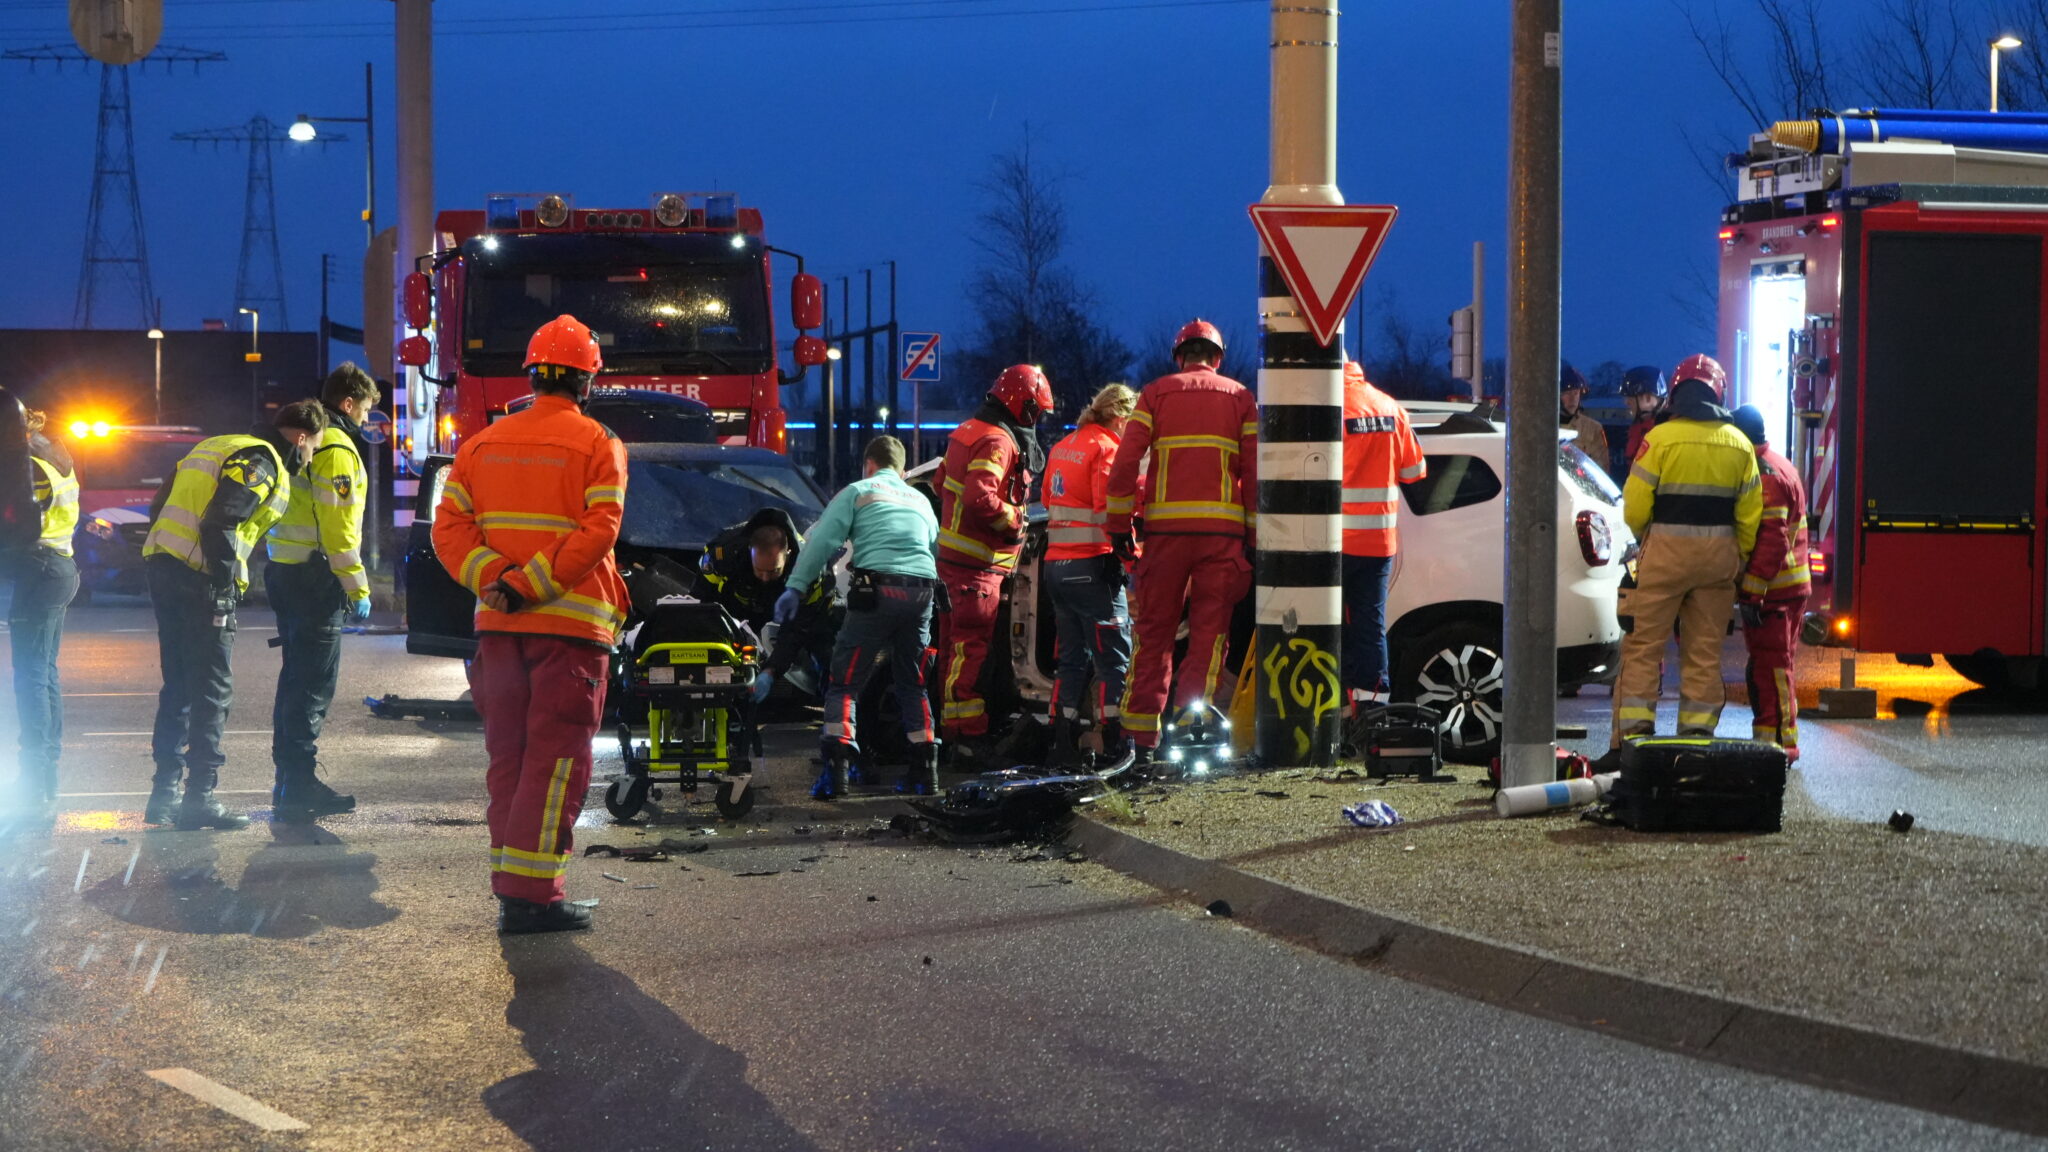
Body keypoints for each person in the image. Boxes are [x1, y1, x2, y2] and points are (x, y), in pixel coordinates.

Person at [432, 314, 629, 935]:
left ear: (533, 375)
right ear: (586, 381)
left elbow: (449, 532)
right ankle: (532, 897)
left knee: (509, 760)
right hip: (569, 633)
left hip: (498, 631)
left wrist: (498, 580)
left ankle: (514, 887)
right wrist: (533, 583)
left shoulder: (481, 444)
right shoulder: (599, 444)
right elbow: (601, 530)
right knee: (556, 760)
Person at [143, 402, 324, 830]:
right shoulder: (261, 460)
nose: (310, 458)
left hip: (164, 566)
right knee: (212, 691)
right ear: (301, 439)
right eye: (314, 448)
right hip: (201, 579)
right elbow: (220, 522)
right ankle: (199, 798)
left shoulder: (217, 445)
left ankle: (163, 795)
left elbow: (159, 505)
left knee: (179, 685)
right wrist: (223, 587)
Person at [1106, 319, 1258, 777]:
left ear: (1180, 355)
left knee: (1153, 639)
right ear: (1217, 357)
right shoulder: (1240, 398)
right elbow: (1252, 474)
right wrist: (1254, 537)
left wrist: (1118, 525)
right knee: (1209, 641)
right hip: (1222, 539)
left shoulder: (1155, 394)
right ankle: (1194, 735)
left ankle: (1139, 743)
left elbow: (1125, 462)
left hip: (1166, 537)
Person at [1596, 354, 1761, 769]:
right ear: (1717, 391)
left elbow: (1633, 509)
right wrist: (1734, 560)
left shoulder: (1661, 439)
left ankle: (1631, 745)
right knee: (1704, 654)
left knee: (1643, 650)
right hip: (1718, 564)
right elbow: (1749, 517)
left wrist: (1646, 537)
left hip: (1664, 559)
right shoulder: (1739, 443)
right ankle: (1696, 742)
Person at [779, 435, 941, 798]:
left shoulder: (857, 491)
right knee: (913, 682)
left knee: (845, 681)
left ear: (868, 464)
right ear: (901, 471)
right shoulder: (920, 499)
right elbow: (932, 547)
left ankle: (837, 776)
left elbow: (822, 541)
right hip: (921, 593)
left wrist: (795, 587)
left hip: (876, 593)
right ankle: (925, 773)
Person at [263, 364, 378, 824]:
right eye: (367, 409)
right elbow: (339, 528)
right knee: (311, 686)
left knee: (294, 680)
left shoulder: (304, 440)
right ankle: (298, 786)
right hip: (316, 578)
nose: (368, 420)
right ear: (347, 404)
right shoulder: (336, 447)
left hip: (286, 572)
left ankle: (288, 781)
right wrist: (358, 586)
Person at [934, 364, 1051, 770]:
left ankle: (951, 737)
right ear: (1024, 405)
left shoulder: (968, 430)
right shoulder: (999, 441)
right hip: (977, 568)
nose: (1036, 422)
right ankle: (969, 741)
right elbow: (980, 498)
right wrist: (1017, 522)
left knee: (953, 653)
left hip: (953, 564)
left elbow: (940, 485)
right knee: (971, 656)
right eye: (1036, 413)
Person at [1041, 383, 1138, 767]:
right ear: (1119, 415)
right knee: (1113, 658)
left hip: (1055, 569)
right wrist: (1131, 550)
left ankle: (1060, 740)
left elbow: (1048, 500)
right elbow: (1108, 508)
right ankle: (1115, 742)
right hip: (1091, 566)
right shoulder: (1106, 447)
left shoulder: (1064, 446)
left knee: (1071, 659)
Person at [5, 409, 79, 828]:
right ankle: (44, 776)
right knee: (43, 672)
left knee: (31, 674)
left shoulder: (24, 461)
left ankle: (34, 779)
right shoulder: (49, 449)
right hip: (56, 565)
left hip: (39, 567)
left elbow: (18, 526)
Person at [1340, 360, 1427, 708]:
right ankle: (1374, 707)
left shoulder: (1330, 407)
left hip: (1336, 541)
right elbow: (1415, 470)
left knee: (1329, 626)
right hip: (1378, 541)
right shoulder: (1391, 408)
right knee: (1370, 625)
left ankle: (1336, 709)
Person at [1730, 404, 1810, 762]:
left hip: (1774, 592)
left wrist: (1752, 590)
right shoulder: (1780, 463)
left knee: (1772, 669)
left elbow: (1772, 539)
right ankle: (1773, 743)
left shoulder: (1764, 475)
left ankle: (1779, 747)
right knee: (1775, 667)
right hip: (1788, 588)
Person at [693, 508, 837, 703]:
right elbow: (701, 602)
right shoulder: (723, 555)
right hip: (739, 609)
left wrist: (771, 671)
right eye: (759, 570)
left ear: (788, 552)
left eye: (773, 571)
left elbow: (797, 629)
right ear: (749, 550)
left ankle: (832, 704)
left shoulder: (810, 567)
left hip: (791, 611)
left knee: (825, 646)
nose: (765, 578)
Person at [1560, 361, 1609, 475]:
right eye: (1567, 393)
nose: (1573, 399)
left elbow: (1602, 470)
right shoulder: (1542, 426)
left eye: (1576, 393)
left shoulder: (1593, 428)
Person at [1619, 365, 1667, 471]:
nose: (1626, 402)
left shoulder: (1668, 432)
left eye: (1630, 397)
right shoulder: (1639, 428)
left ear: (1648, 398)